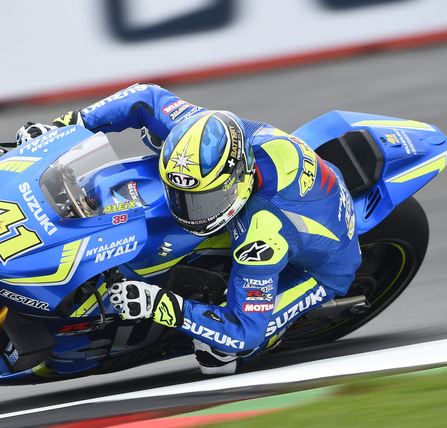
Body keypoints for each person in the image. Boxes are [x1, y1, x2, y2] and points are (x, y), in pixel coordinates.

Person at [19, 83, 362, 375]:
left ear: (236, 182)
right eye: (181, 196)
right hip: (302, 187)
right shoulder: (206, 131)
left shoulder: (263, 235)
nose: (186, 209)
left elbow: (245, 331)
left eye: (200, 201)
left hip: (322, 267)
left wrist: (158, 304)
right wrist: (64, 129)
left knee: (220, 354)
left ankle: (279, 329)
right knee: (155, 141)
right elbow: (146, 98)